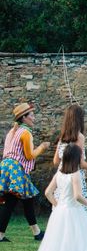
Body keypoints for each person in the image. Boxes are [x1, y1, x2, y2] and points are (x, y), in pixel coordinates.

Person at [0, 103, 50, 242]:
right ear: (24, 117)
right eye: (32, 115)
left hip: (6, 167)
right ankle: (1, 235)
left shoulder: (13, 131)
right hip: (16, 168)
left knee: (26, 199)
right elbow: (29, 156)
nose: (34, 118)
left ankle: (36, 232)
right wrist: (42, 147)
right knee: (11, 201)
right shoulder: (25, 133)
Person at [53, 105, 87, 212]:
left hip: (61, 175)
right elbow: (80, 163)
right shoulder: (79, 137)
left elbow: (55, 161)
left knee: (63, 207)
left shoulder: (62, 138)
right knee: (77, 208)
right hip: (74, 174)